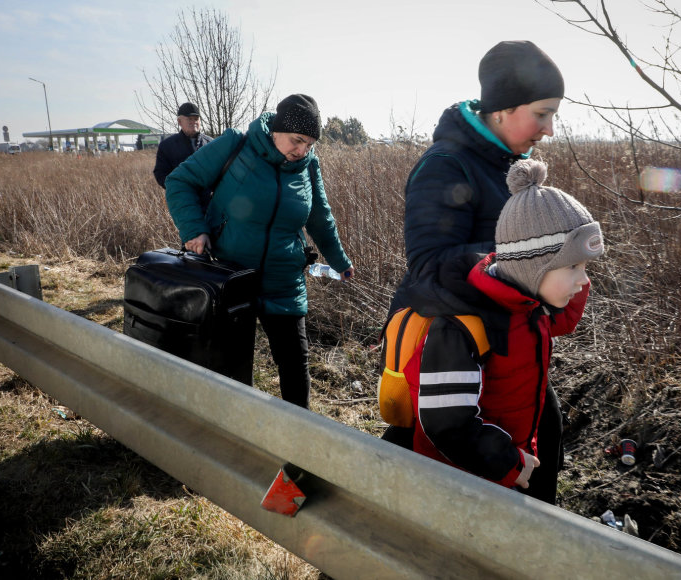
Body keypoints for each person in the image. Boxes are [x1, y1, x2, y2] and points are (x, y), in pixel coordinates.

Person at [385, 40, 567, 502]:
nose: (549, 130)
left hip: (514, 344)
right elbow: (428, 266)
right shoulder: (445, 166)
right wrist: (525, 262)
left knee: (542, 442)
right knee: (439, 459)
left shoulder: (514, 166)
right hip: (461, 351)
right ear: (504, 108)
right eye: (542, 114)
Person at [402, 159, 603, 501]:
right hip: (460, 486)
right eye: (573, 266)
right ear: (534, 267)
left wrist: (574, 268)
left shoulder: (527, 304)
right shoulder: (461, 326)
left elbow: (564, 318)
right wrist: (507, 463)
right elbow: (448, 424)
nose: (584, 279)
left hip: (504, 473)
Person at [164, 94, 355, 409]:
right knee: (230, 365)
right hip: (230, 276)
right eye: (297, 141)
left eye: (310, 144)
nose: (302, 150)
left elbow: (320, 218)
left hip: (284, 280)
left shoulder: (309, 167)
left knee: (295, 365)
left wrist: (339, 261)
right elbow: (179, 181)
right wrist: (194, 230)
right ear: (276, 130)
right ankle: (234, 433)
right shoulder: (237, 145)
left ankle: (298, 449)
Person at [154, 102, 213, 207]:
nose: (193, 122)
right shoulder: (167, 146)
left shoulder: (211, 144)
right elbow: (160, 174)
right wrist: (178, 189)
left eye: (196, 119)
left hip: (211, 204)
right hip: (183, 204)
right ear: (179, 121)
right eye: (189, 119)